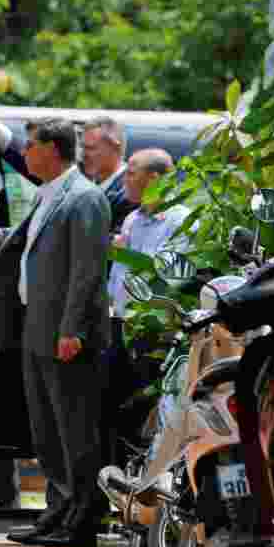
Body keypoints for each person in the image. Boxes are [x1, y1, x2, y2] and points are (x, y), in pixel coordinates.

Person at [0, 117, 111, 547]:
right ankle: (57, 512)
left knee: (75, 431)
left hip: (65, 335)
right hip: (36, 329)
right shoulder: (49, 195)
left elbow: (87, 273)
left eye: (30, 146)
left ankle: (82, 519)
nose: (24, 153)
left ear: (52, 149)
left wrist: (72, 330)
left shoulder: (84, 197)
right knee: (47, 432)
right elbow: (25, 247)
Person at [104, 149, 193, 465]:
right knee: (115, 414)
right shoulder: (132, 218)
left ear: (155, 178)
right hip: (120, 325)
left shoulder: (180, 220)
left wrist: (118, 253)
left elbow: (167, 273)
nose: (125, 179)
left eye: (131, 171)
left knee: (147, 413)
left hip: (155, 333)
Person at [82, 117, 137, 234]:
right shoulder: (85, 187)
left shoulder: (130, 194)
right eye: (83, 147)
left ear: (115, 148)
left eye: (91, 148)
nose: (84, 154)